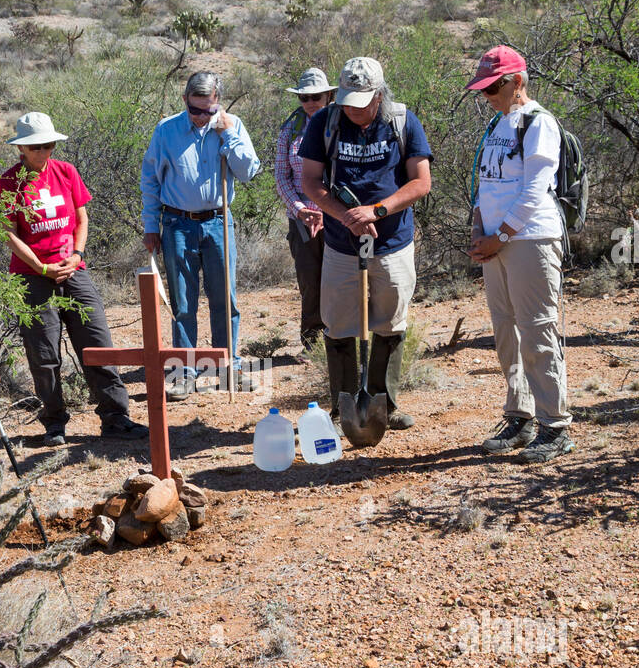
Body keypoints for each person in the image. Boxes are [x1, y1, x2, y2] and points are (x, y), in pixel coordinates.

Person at [0, 111, 148, 446]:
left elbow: (81, 216)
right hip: (32, 276)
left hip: (73, 269)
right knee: (43, 352)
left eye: (48, 145)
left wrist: (77, 255)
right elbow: (9, 233)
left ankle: (115, 417)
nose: (43, 152)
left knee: (96, 341)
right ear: (21, 148)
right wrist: (40, 266)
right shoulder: (9, 183)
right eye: (36, 146)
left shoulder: (66, 172)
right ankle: (53, 423)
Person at [299, 57, 432, 429]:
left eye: (360, 103)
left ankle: (384, 405)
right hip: (342, 243)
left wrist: (376, 211)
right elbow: (311, 181)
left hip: (393, 242)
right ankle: (344, 408)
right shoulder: (326, 122)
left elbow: (421, 182)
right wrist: (345, 216)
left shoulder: (402, 121)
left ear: (379, 96)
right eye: (346, 101)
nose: (352, 110)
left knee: (390, 322)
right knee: (339, 323)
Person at [465, 46, 573, 463]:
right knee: (506, 332)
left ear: (518, 82)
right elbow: (486, 182)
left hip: (530, 240)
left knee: (537, 330)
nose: (489, 94)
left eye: (495, 86)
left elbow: (534, 189)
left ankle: (555, 425)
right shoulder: (498, 123)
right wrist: (480, 227)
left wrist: (502, 235)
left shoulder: (539, 123)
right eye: (484, 88)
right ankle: (521, 416)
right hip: (498, 243)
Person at [141, 72, 261, 400]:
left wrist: (229, 136)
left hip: (219, 222)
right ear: (185, 101)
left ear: (217, 103)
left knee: (225, 299)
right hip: (178, 224)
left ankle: (228, 367)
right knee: (183, 301)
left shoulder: (230, 124)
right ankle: (185, 372)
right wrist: (151, 225)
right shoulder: (166, 130)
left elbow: (249, 171)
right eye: (195, 110)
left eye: (208, 111)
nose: (201, 117)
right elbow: (150, 179)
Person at [274, 67, 334, 353]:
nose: (311, 102)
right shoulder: (290, 129)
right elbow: (281, 177)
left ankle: (341, 340)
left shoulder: (340, 124)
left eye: (316, 96)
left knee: (340, 279)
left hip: (336, 217)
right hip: (301, 220)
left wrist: (328, 209)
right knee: (310, 280)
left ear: (328, 95)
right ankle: (312, 345)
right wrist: (300, 209)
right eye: (304, 97)